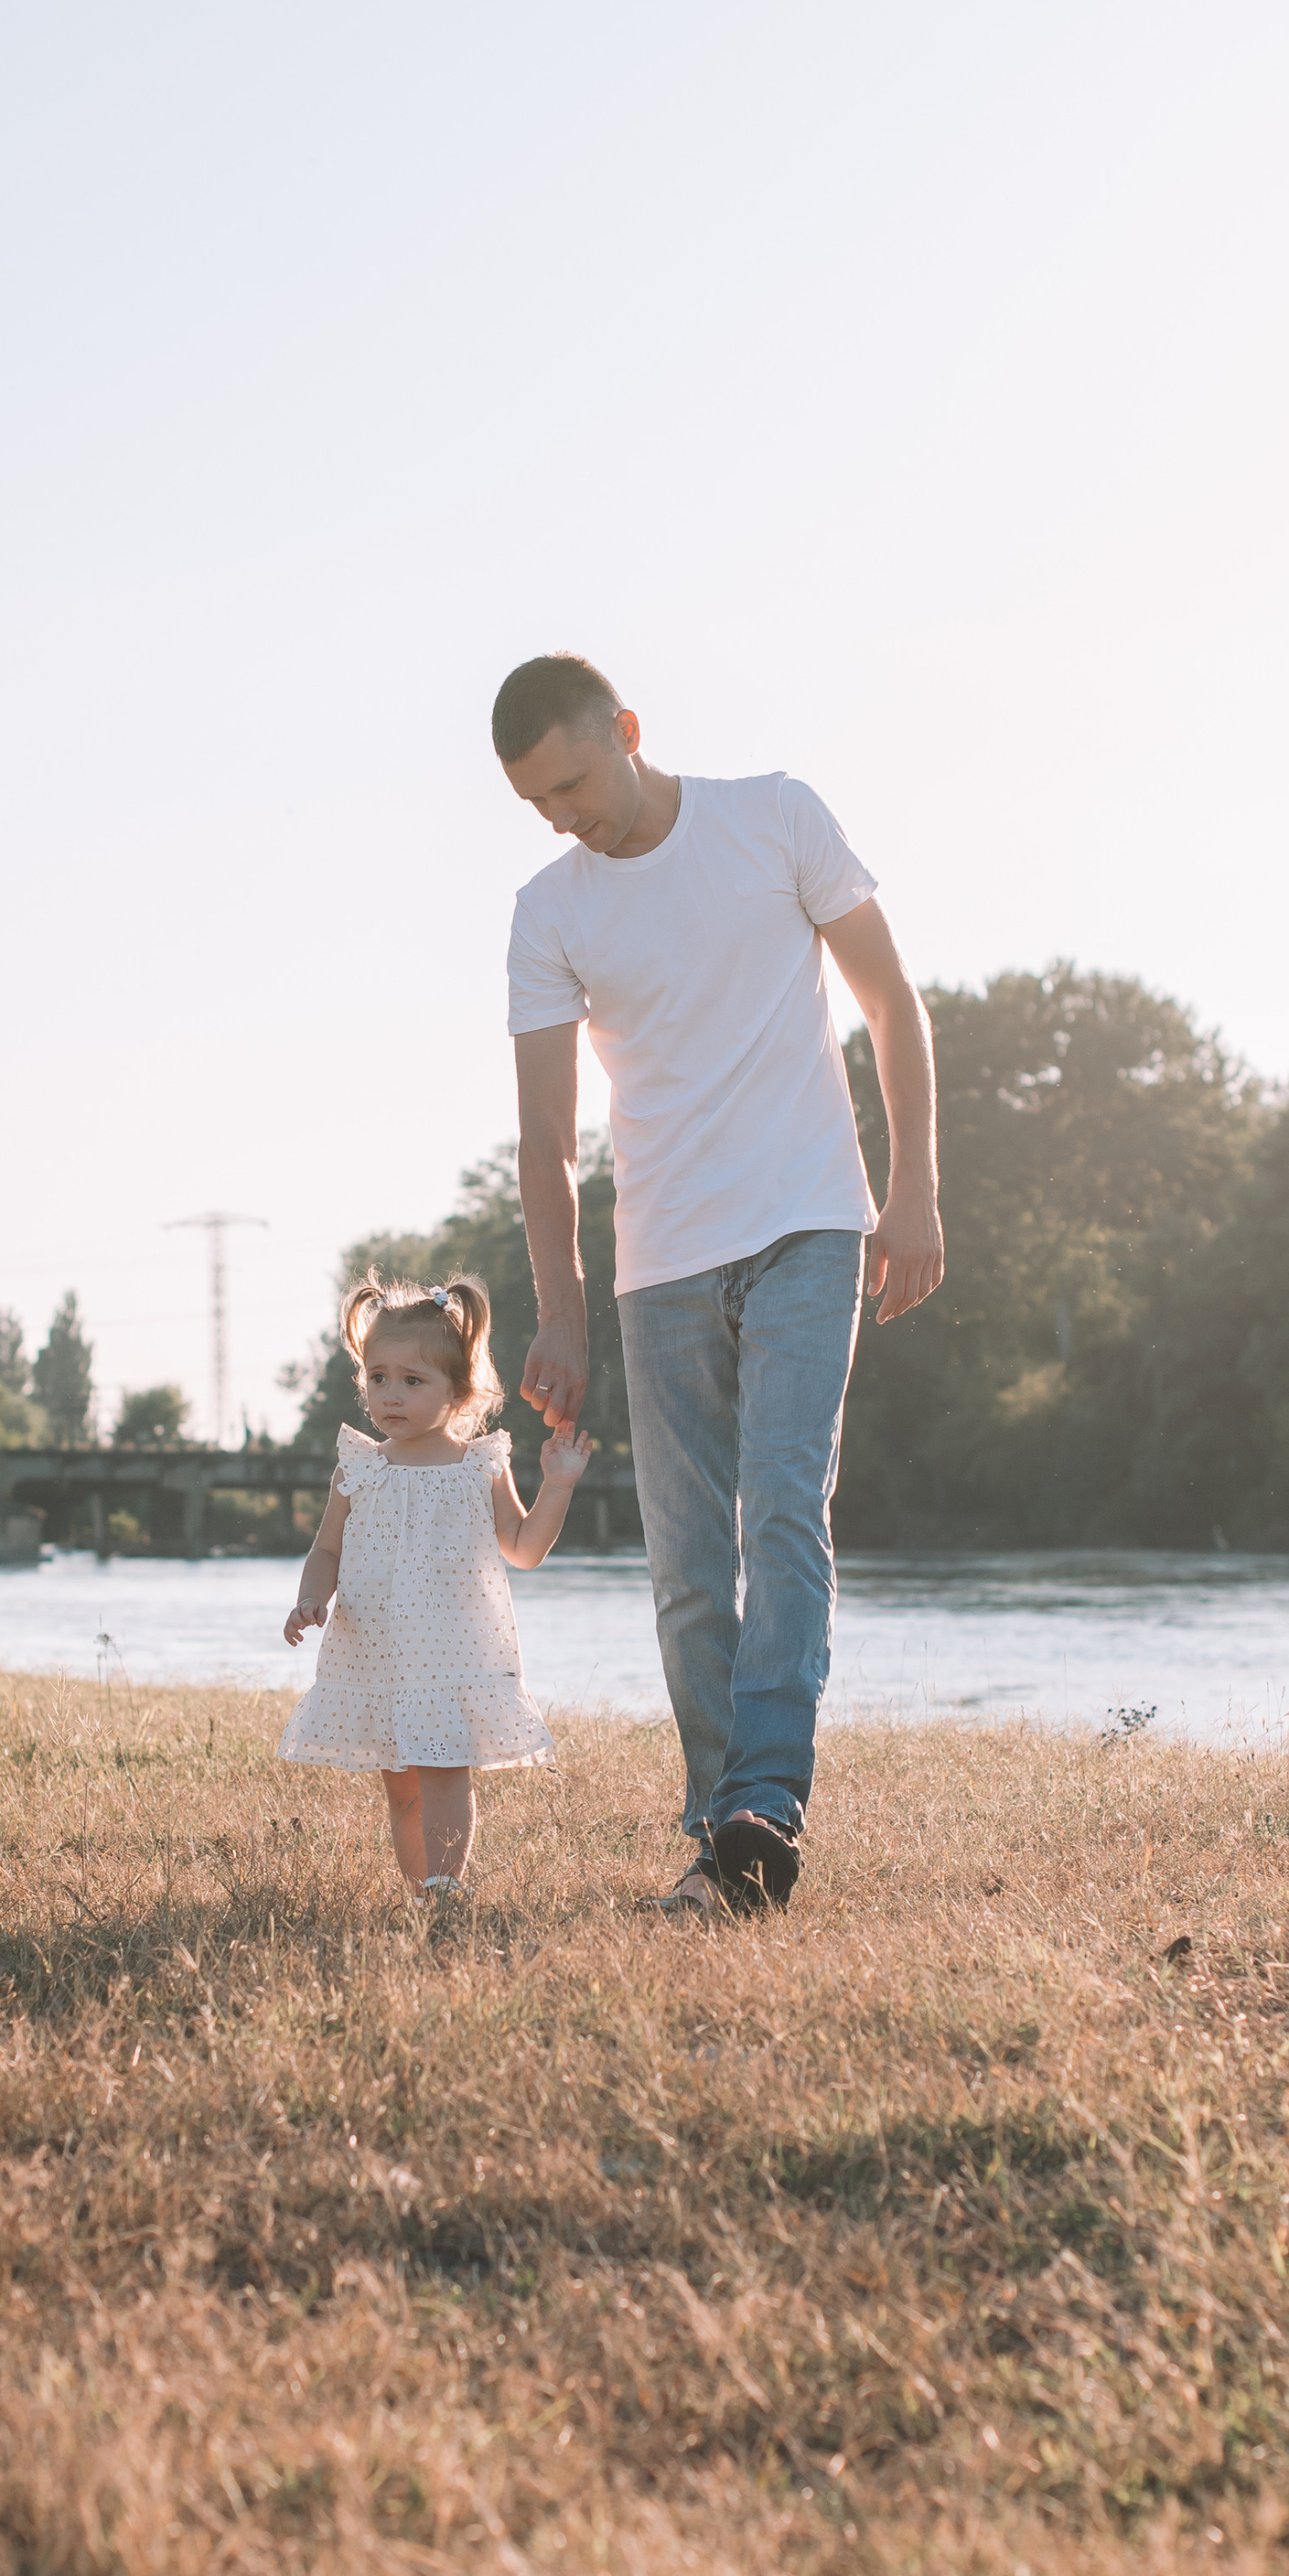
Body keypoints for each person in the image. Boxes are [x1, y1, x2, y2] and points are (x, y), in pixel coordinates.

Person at [496, 651, 942, 1918]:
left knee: (783, 1507)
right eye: (537, 801)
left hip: (810, 1222)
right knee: (689, 1563)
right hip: (663, 1262)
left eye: (574, 782)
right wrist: (566, 1313)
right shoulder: (550, 910)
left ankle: (764, 1801)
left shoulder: (775, 816)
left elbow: (891, 1002)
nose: (564, 814)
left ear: (628, 730)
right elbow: (546, 1143)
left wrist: (912, 1191)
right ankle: (722, 1835)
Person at [278, 1271, 596, 1907]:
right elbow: (328, 1548)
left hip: (452, 1654)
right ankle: (420, 1891)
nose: (390, 1395)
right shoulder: (359, 1468)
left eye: (412, 1381)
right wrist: (311, 1596)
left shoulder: (479, 1465)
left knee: (445, 1768)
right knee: (401, 1783)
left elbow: (525, 1549)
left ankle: (446, 1887)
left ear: (459, 1390)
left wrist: (556, 1485)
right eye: (378, 1377)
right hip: (381, 1651)